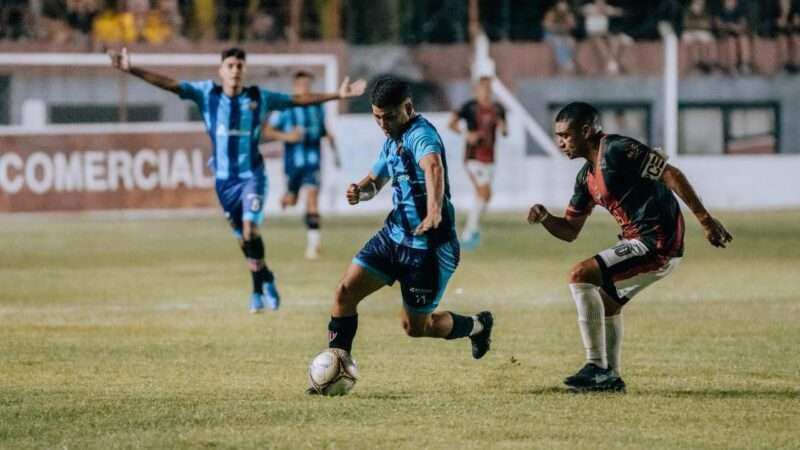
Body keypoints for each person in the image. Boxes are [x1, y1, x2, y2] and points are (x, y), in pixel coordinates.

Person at [109, 47, 365, 313]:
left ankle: (256, 291)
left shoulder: (258, 97)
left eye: (239, 66)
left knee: (249, 231)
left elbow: (298, 99)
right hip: (224, 181)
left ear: (244, 71)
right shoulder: (207, 93)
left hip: (251, 176)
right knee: (244, 242)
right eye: (230, 66)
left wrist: (337, 94)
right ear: (221, 71)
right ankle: (266, 276)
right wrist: (132, 69)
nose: (235, 70)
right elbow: (170, 84)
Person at [527, 102, 732, 392]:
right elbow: (570, 231)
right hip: (639, 242)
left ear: (586, 131)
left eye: (566, 135)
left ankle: (596, 367)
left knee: (579, 274)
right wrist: (546, 218)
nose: (560, 142)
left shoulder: (616, 149)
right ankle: (610, 377)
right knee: (607, 302)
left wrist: (706, 220)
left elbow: (671, 174)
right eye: (557, 136)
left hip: (658, 242)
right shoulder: (585, 177)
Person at [308, 77, 494, 393]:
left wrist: (434, 210)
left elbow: (433, 168)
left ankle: (478, 326)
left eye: (389, 116)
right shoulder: (390, 140)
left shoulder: (422, 135)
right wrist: (359, 191)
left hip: (430, 250)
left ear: (408, 107)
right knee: (343, 294)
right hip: (394, 238)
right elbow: (374, 181)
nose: (382, 123)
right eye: (377, 116)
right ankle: (338, 366)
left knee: (416, 327)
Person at [264, 70, 341, 260]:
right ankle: (287, 198)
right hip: (293, 164)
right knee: (293, 200)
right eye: (302, 85)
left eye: (308, 84)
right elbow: (267, 131)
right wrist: (287, 136)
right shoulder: (285, 108)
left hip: (313, 161)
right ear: (295, 86)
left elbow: (322, 130)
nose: (305, 88)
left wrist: (331, 144)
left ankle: (314, 245)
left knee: (313, 200)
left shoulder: (317, 108)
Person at [448, 76, 507, 250]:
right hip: (473, 158)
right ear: (477, 90)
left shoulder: (498, 108)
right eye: (483, 88)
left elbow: (504, 130)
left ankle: (471, 231)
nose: (487, 92)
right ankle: (469, 234)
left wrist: (503, 127)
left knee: (484, 196)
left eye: (489, 88)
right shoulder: (470, 107)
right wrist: (468, 135)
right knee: (485, 192)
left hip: (490, 158)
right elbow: (451, 124)